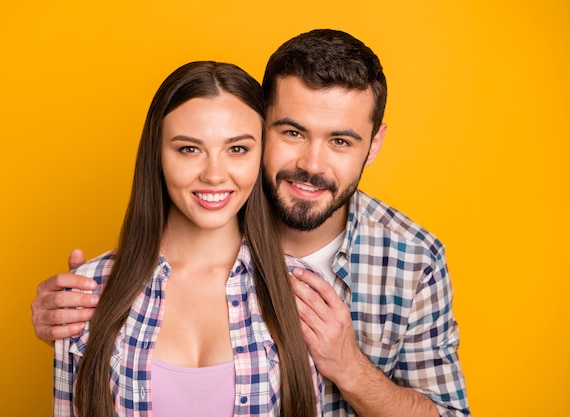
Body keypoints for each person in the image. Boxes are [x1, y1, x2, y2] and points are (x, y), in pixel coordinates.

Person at [34, 30, 470, 416]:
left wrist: (349, 367)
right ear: (261, 127)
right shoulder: (219, 193)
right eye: (293, 133)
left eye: (340, 141)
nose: (311, 164)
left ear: (373, 144)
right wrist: (79, 309)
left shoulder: (414, 259)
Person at [52, 61, 322, 417]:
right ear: (157, 155)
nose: (213, 174)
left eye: (237, 149)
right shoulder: (87, 291)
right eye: (189, 149)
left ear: (261, 155)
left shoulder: (300, 291)